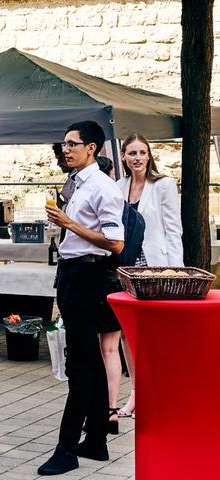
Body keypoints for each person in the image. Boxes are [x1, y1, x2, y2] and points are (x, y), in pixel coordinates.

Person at [38, 121, 125, 476]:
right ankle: (96, 442)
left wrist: (70, 225)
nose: (65, 149)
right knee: (87, 360)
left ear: (91, 148)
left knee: (79, 365)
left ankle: (67, 448)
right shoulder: (74, 182)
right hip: (73, 274)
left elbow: (115, 243)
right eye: (64, 144)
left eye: (72, 144)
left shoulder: (104, 188)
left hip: (88, 277)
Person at [115, 133, 183, 419]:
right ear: (124, 157)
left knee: (157, 333)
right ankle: (136, 393)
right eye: (132, 153)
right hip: (129, 268)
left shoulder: (163, 185)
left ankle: (162, 392)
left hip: (157, 267)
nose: (138, 158)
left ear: (149, 156)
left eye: (142, 152)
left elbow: (173, 229)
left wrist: (176, 273)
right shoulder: (119, 187)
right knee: (129, 335)